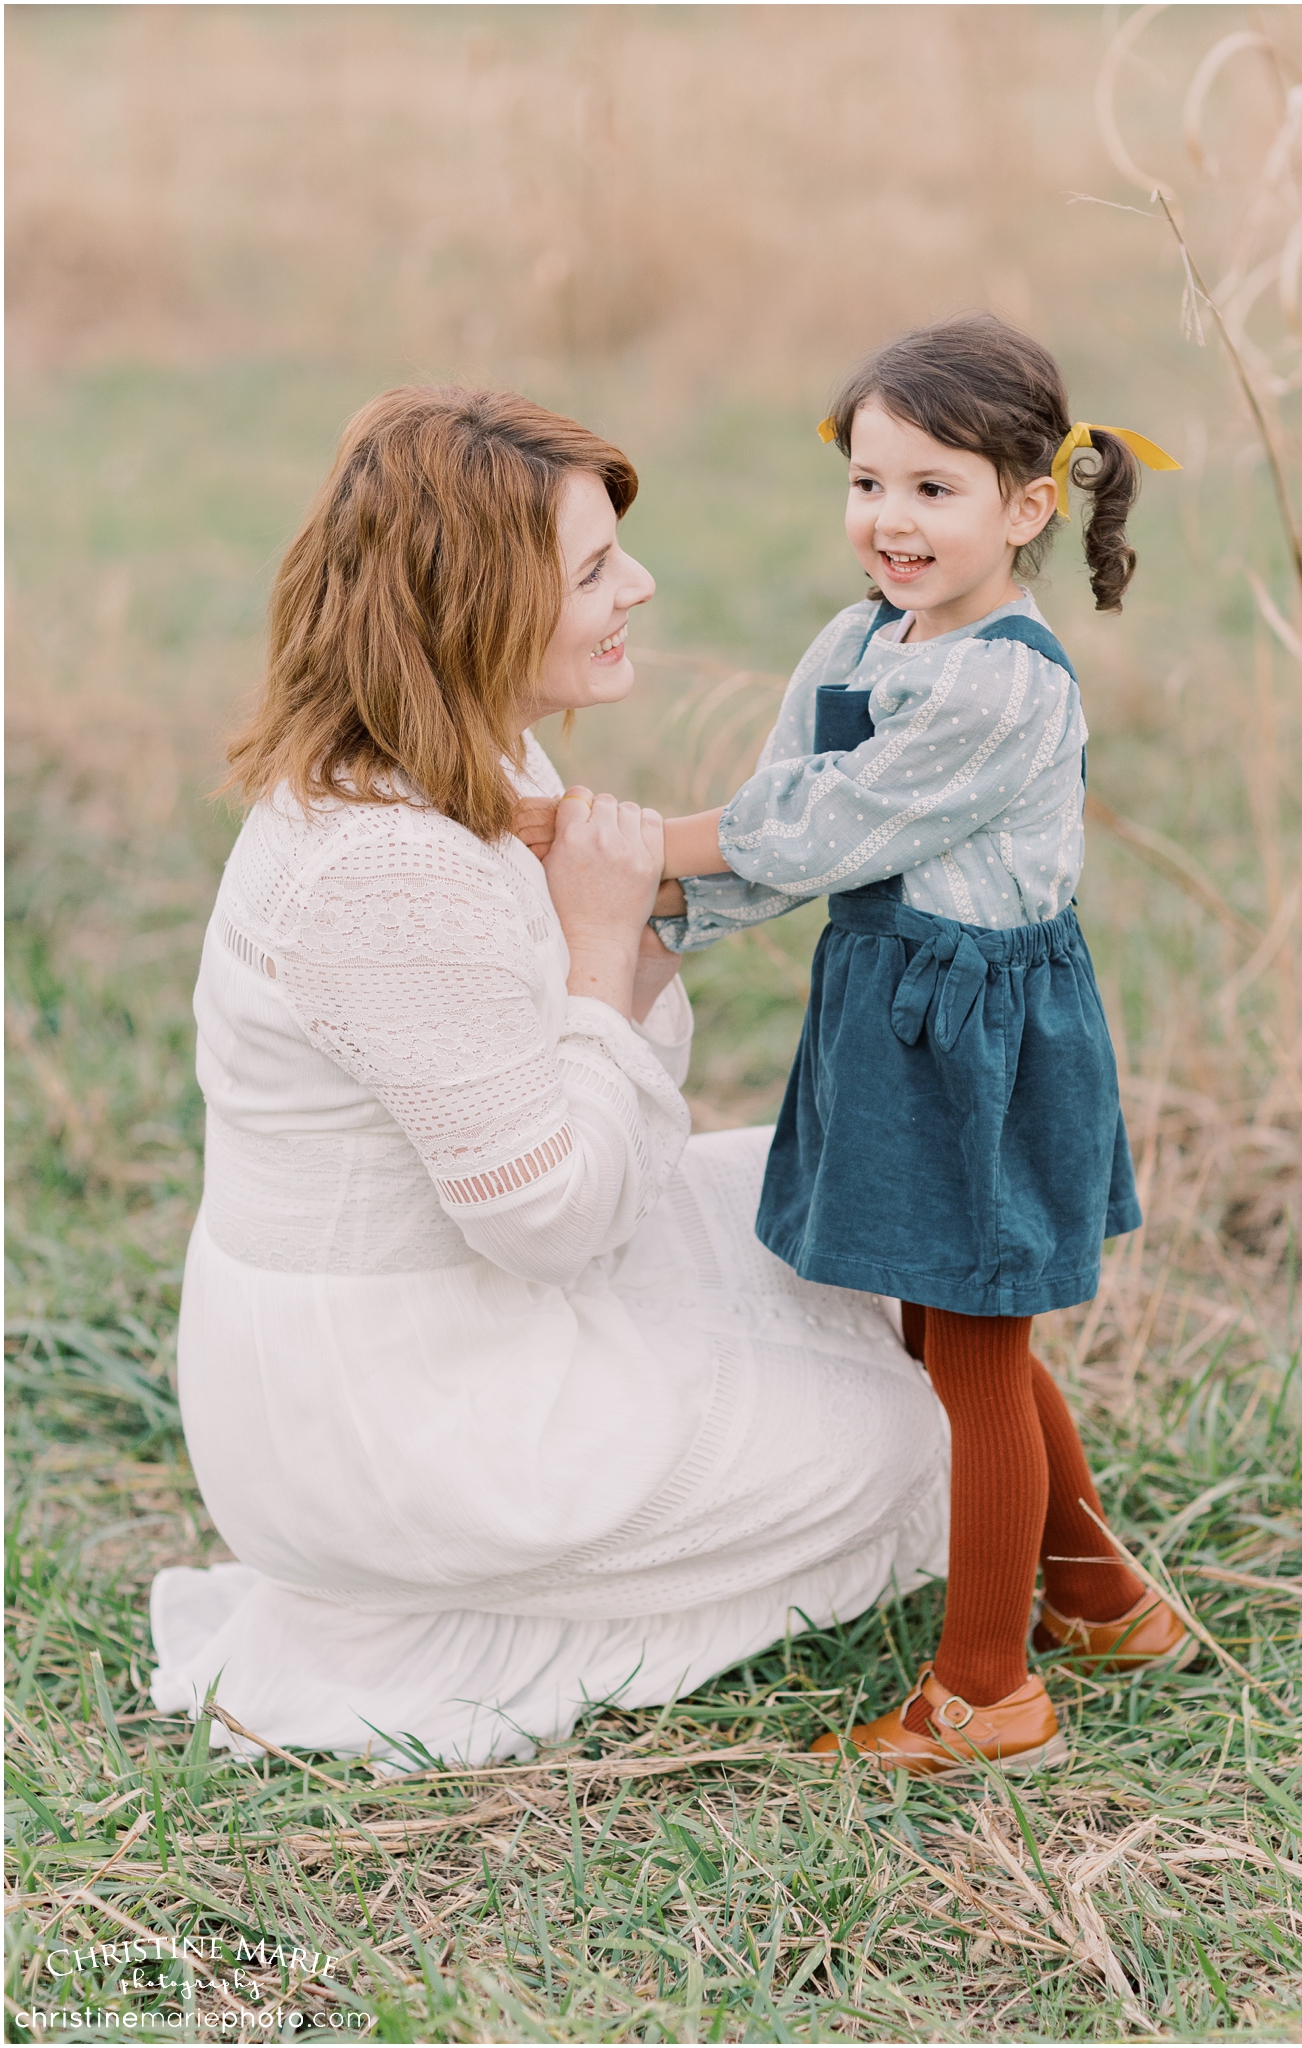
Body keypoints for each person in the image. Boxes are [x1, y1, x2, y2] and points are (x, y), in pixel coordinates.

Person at [148, 386, 951, 1769]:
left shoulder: (459, 757)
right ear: (476, 606)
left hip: (456, 1299)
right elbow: (553, 1221)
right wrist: (598, 942)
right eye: (592, 571)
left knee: (839, 1204)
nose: (637, 583)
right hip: (385, 1414)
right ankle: (440, 1612)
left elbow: (577, 1086)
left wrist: (642, 914)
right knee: (899, 1440)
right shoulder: (384, 868)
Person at [645, 316, 1195, 1771]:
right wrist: (659, 918)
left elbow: (826, 827)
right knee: (939, 1322)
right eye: (868, 481)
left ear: (1026, 507)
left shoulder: (1005, 684)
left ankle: (987, 1691)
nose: (889, 519)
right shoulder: (860, 638)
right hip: (887, 1009)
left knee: (976, 1340)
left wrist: (626, 844)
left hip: (981, 1031)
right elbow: (783, 823)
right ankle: (1098, 1591)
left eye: (932, 489)